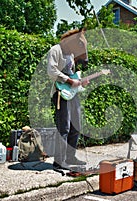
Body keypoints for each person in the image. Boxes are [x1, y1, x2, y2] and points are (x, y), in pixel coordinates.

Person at [47, 28, 89, 170]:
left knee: (76, 125)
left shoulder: (71, 55)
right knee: (63, 127)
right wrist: (70, 82)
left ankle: (71, 157)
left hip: (72, 94)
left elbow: (72, 75)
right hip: (59, 93)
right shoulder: (55, 50)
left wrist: (80, 81)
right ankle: (59, 162)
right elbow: (51, 71)